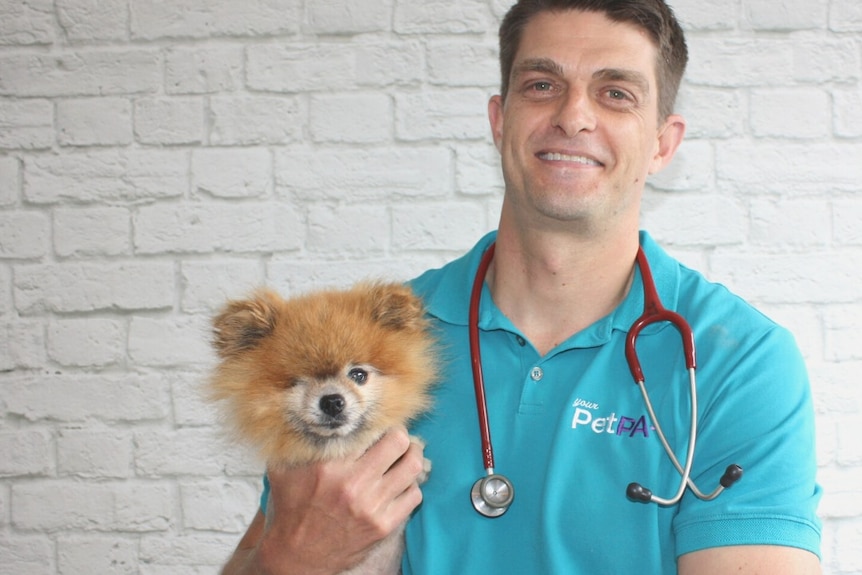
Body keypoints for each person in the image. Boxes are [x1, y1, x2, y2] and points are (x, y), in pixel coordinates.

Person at [221, 0, 823, 573]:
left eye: (616, 94)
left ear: (663, 143)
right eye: (542, 85)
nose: (573, 116)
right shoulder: (374, 337)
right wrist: (291, 561)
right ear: (499, 118)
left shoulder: (736, 359)